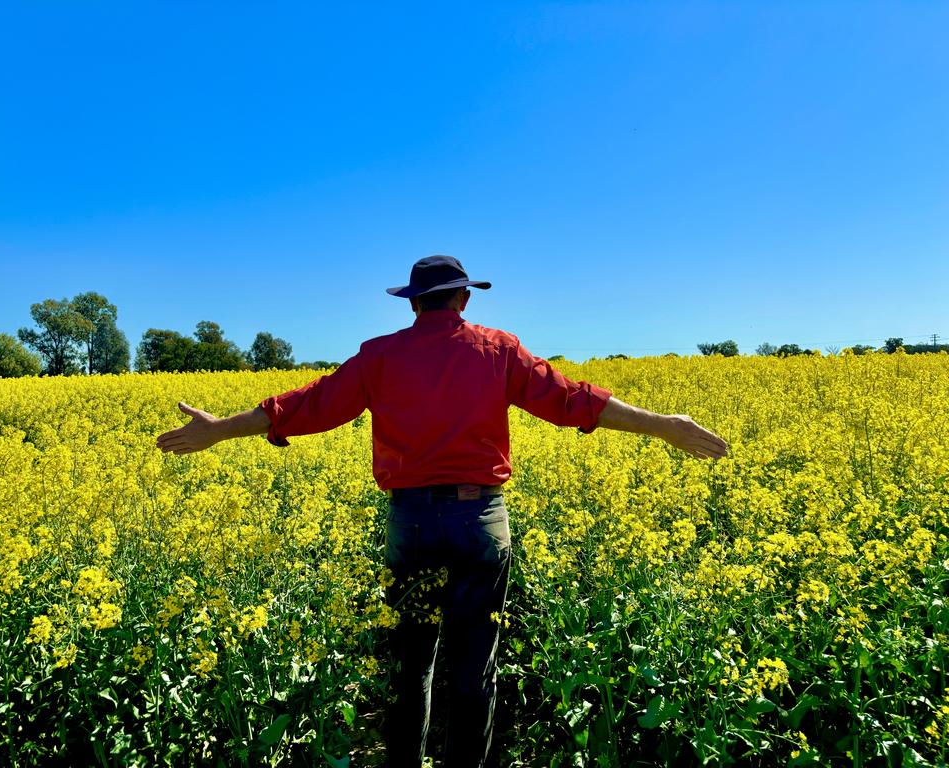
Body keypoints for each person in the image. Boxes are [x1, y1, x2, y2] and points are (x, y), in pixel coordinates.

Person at [155, 255, 727, 767]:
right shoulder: (497, 350)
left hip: (412, 524)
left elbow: (310, 405)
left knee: (411, 670)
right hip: (480, 522)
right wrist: (663, 426)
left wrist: (220, 430)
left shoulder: (380, 356)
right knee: (474, 670)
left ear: (412, 302)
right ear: (464, 299)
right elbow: (571, 398)